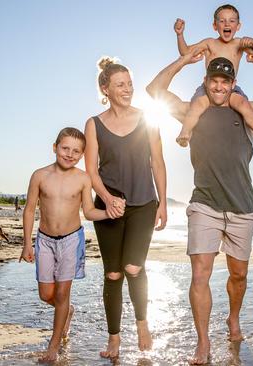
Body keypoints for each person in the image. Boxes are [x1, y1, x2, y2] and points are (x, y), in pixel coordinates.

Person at [147, 49, 253, 364]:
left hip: (242, 206)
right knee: (200, 274)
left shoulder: (248, 111)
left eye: (225, 82)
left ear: (233, 84)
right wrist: (183, 60)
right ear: (206, 81)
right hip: (205, 204)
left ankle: (233, 317)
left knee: (238, 274)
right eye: (213, 81)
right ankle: (203, 343)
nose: (218, 87)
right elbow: (155, 91)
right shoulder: (192, 110)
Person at [84, 57, 168, 360]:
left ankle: (143, 324)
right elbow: (91, 170)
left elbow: (157, 162)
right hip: (109, 207)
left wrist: (163, 203)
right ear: (105, 88)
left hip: (144, 202)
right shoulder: (93, 124)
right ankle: (114, 339)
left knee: (134, 267)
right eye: (121, 85)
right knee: (114, 274)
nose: (128, 89)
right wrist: (106, 198)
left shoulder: (148, 118)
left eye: (130, 84)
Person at [19, 127, 116, 363]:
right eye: (65, 148)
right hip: (45, 240)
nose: (69, 154)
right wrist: (26, 244)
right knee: (46, 294)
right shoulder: (39, 176)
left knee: (63, 293)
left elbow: (89, 211)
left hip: (72, 240)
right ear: (55, 147)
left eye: (76, 151)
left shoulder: (83, 179)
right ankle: (66, 311)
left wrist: (108, 213)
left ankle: (53, 346)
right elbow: (30, 209)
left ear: (82, 154)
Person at [173, 4, 253, 149]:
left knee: (243, 104)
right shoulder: (210, 43)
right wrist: (179, 35)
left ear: (238, 26)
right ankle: (185, 132)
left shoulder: (239, 43)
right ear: (215, 26)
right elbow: (186, 52)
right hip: (210, 87)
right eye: (222, 21)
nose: (227, 24)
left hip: (230, 88)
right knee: (197, 105)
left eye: (232, 21)